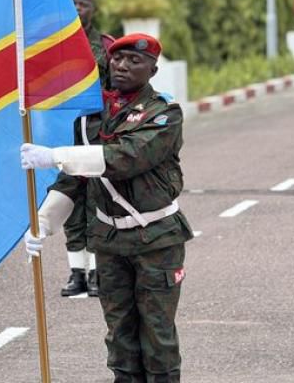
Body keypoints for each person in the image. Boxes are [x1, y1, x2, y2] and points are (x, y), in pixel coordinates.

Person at [21, 33, 194, 383]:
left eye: (134, 61)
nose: (123, 65)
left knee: (157, 337)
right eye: (118, 59)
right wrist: (43, 222)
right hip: (110, 242)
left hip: (156, 241)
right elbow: (74, 181)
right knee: (120, 339)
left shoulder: (164, 114)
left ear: (152, 69)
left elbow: (126, 157)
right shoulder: (91, 119)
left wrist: (57, 156)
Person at [59, 0, 114, 298]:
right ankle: (76, 271)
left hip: (95, 131)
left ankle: (96, 272)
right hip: (64, 131)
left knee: (95, 199)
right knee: (71, 201)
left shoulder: (104, 45)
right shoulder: (52, 44)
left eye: (84, 3)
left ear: (93, 9)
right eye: (74, 3)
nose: (79, 7)